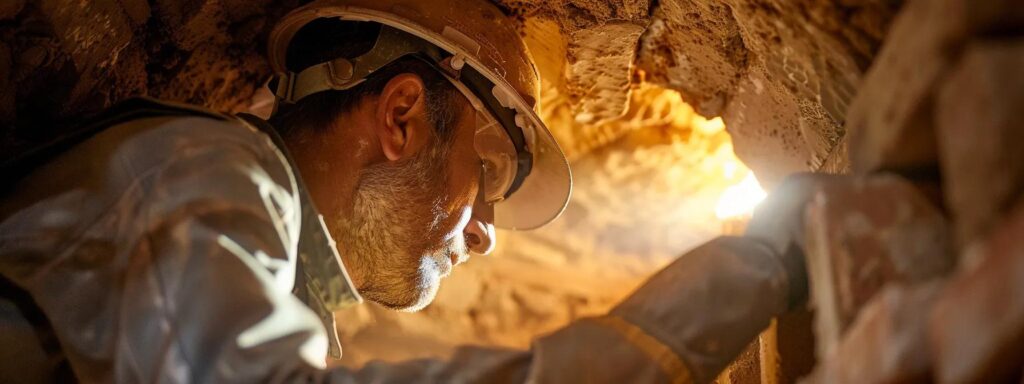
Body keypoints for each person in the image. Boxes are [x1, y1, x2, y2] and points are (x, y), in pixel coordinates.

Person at [0, 0, 823, 382]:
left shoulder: (280, 286)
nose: (487, 234)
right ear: (400, 116)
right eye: (489, 176)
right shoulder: (202, 171)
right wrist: (744, 278)